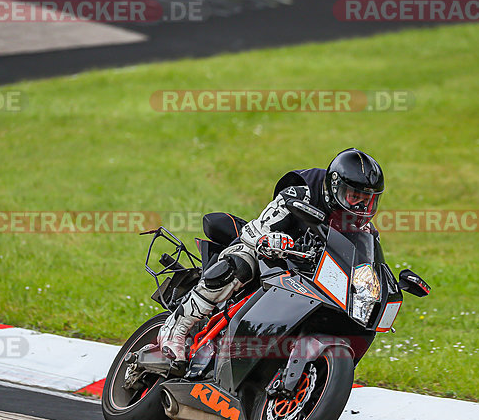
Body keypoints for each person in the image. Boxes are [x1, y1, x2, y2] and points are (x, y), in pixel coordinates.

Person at [157, 148, 384, 367]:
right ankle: (176, 327)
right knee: (240, 264)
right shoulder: (301, 192)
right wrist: (269, 239)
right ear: (335, 188)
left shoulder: (366, 231)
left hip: (309, 278)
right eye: (355, 197)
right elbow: (254, 230)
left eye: (369, 200)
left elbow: (364, 266)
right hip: (270, 257)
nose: (362, 205)